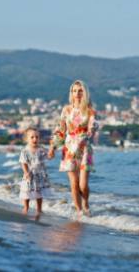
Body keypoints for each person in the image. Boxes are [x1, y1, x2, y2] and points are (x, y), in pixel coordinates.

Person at [49, 80, 98, 218]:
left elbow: (93, 127)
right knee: (74, 184)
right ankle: (79, 212)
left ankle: (86, 203)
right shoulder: (66, 110)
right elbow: (60, 130)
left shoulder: (90, 111)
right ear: (71, 93)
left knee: (83, 185)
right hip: (69, 149)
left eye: (80, 90)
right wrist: (52, 147)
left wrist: (91, 130)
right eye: (75, 91)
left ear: (85, 92)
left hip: (84, 149)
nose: (77, 93)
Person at [19, 127, 51, 221]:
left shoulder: (41, 149)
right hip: (29, 174)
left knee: (39, 193)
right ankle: (26, 207)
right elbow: (23, 162)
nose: (35, 139)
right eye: (32, 137)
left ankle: (39, 209)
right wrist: (26, 172)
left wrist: (52, 149)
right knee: (27, 192)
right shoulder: (25, 151)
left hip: (40, 174)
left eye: (37, 137)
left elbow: (49, 156)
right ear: (26, 139)